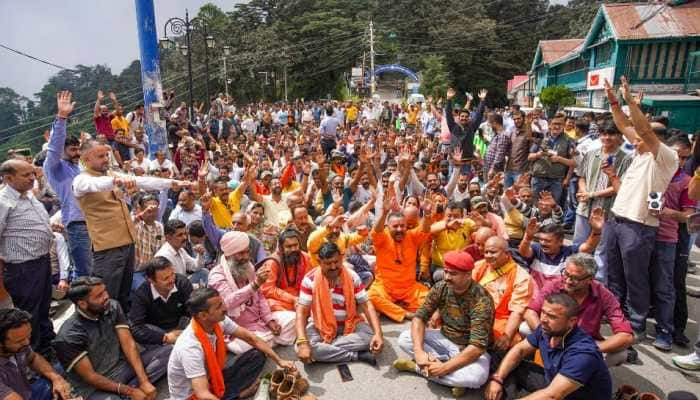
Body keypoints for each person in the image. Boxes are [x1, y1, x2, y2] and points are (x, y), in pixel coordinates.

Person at [72, 139, 189, 311]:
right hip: (108, 248)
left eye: (106, 155)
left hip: (127, 243)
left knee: (123, 295)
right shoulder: (81, 180)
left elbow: (140, 181)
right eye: (100, 156)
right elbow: (95, 185)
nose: (106, 159)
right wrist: (116, 182)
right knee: (107, 296)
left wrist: (170, 183)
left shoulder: (111, 175)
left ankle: (122, 327)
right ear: (85, 159)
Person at [603, 77, 679, 341]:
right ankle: (615, 315)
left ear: (655, 138)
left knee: (635, 277)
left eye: (640, 136)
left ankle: (636, 324)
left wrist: (629, 101)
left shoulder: (667, 157)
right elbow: (623, 124)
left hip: (639, 226)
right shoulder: (641, 152)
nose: (632, 139)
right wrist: (614, 100)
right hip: (617, 221)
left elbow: (641, 130)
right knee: (613, 273)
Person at [394, 251, 494, 396]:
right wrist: (419, 352)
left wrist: (444, 368)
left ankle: (417, 367)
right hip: (444, 338)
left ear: (467, 275)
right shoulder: (441, 287)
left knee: (477, 378)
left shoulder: (481, 300)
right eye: (446, 272)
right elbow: (419, 318)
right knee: (404, 338)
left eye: (453, 274)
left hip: (468, 349)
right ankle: (452, 377)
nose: (447, 277)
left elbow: (477, 348)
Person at [167, 287, 296, 400]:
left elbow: (251, 338)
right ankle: (238, 395)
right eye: (218, 307)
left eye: (221, 302)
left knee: (257, 354)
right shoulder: (190, 348)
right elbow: (202, 394)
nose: (225, 308)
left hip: (211, 377)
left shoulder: (218, 321)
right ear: (203, 315)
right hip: (192, 395)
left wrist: (280, 361)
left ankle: (232, 393)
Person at [53, 276, 169, 400]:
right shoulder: (69, 335)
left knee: (169, 352)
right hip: (95, 385)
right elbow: (90, 377)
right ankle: (128, 393)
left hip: (122, 367)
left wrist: (144, 381)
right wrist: (129, 391)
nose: (106, 296)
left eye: (105, 291)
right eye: (99, 296)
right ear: (82, 304)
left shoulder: (112, 306)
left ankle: (133, 390)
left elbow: (128, 344)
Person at [484, 293, 612, 400]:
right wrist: (497, 379)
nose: (544, 319)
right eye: (543, 312)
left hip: (568, 395)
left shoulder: (582, 354)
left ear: (572, 321)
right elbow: (520, 350)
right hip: (552, 381)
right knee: (500, 355)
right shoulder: (547, 329)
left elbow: (553, 395)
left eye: (551, 316)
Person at [523, 254, 634, 367]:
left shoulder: (604, 295)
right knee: (524, 328)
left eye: (575, 278)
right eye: (566, 274)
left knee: (620, 353)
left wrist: (592, 347)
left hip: (583, 343)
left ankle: (587, 372)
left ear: (590, 279)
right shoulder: (554, 285)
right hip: (552, 335)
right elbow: (530, 312)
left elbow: (626, 336)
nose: (568, 281)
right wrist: (544, 336)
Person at [0, 159, 55, 357]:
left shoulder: (28, 196)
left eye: (33, 173)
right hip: (22, 268)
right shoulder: (3, 201)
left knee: (43, 307)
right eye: (26, 175)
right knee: (29, 312)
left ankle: (47, 346)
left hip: (41, 260)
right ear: (8, 178)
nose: (32, 178)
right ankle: (34, 357)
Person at [295, 242, 384, 365]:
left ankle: (326, 348)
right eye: (328, 263)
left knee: (370, 337)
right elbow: (301, 312)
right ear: (319, 262)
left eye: (336, 262)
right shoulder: (309, 280)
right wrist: (302, 342)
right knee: (299, 347)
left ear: (341, 258)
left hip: (350, 324)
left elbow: (366, 305)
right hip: (320, 325)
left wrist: (379, 334)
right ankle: (355, 355)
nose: (333, 267)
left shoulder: (352, 277)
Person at [208, 231, 296, 354]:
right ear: (228, 255)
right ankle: (266, 343)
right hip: (238, 329)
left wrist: (269, 321)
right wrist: (254, 285)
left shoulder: (248, 267)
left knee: (293, 318)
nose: (246, 257)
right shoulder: (217, 275)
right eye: (241, 253)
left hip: (259, 322)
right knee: (241, 347)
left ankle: (263, 344)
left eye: (247, 252)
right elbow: (227, 303)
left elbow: (260, 297)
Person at [44, 90, 93, 278]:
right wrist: (62, 117)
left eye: (78, 149)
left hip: (93, 221)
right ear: (62, 151)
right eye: (73, 150)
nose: (77, 153)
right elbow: (54, 147)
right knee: (85, 272)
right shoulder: (55, 166)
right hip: (77, 224)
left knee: (95, 270)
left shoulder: (78, 167)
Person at [368, 194, 433, 322]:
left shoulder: (411, 236)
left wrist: (427, 214)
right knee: (371, 297)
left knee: (431, 298)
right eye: (395, 226)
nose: (399, 229)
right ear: (388, 227)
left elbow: (425, 230)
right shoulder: (383, 238)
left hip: (409, 288)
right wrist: (385, 212)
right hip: (385, 287)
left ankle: (391, 309)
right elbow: (376, 231)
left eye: (402, 226)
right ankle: (405, 313)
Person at [472, 237, 533, 351]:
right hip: (474, 313)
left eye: (493, 252)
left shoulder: (521, 276)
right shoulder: (479, 266)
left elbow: (517, 311)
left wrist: (507, 336)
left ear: (506, 253)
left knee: (502, 342)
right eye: (486, 252)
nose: (488, 256)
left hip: (500, 319)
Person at [518, 211, 603, 291]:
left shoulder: (569, 252)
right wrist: (527, 237)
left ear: (560, 241)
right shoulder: (536, 249)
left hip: (559, 299)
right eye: (541, 240)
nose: (543, 243)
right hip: (535, 297)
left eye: (548, 241)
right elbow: (523, 252)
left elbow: (588, 247)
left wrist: (596, 231)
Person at [0, 308, 72, 400]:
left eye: (28, 336)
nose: (27, 342)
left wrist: (56, 379)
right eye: (20, 341)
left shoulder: (19, 346)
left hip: (27, 392)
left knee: (64, 365)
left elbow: (33, 358)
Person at [128, 257, 193, 346]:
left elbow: (195, 310)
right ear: (151, 281)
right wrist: (164, 337)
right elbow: (136, 327)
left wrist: (186, 331)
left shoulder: (182, 283)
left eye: (172, 274)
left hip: (181, 328)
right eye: (166, 278)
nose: (171, 280)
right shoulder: (142, 294)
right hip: (157, 334)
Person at [259, 228, 312, 312]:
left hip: (302, 299)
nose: (293, 249)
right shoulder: (272, 262)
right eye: (289, 246)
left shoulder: (305, 258)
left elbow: (310, 282)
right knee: (269, 303)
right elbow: (268, 289)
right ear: (281, 248)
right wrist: (292, 299)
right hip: (281, 302)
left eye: (295, 245)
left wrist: (302, 300)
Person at [528, 112, 575, 203]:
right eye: (554, 124)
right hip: (538, 179)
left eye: (559, 124)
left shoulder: (569, 141)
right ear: (549, 124)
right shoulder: (540, 138)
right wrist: (539, 154)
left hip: (556, 181)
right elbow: (529, 157)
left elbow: (573, 163)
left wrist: (560, 160)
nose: (556, 127)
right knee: (536, 206)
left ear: (564, 125)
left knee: (553, 208)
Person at [155, 220, 208, 286]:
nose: (185, 237)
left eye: (185, 234)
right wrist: (196, 287)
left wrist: (200, 254)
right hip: (172, 289)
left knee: (204, 272)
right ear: (168, 238)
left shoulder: (180, 250)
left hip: (181, 284)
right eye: (180, 235)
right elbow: (171, 284)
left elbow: (195, 267)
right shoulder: (164, 257)